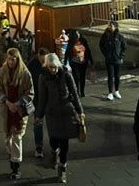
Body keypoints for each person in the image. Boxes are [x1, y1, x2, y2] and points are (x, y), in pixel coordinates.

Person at [36, 53, 85, 184]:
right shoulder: (43, 77)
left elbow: (74, 93)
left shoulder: (66, 74)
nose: (54, 70)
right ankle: (53, 152)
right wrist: (39, 115)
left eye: (55, 67)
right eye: (51, 67)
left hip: (67, 112)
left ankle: (62, 170)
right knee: (54, 140)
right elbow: (42, 98)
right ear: (47, 66)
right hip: (52, 113)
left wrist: (80, 111)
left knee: (64, 142)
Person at [0, 48, 35, 180]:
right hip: (7, 109)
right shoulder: (1, 72)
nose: (11, 62)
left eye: (13, 59)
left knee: (17, 137)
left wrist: (18, 103)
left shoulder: (25, 74)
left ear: (18, 60)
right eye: (9, 59)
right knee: (8, 138)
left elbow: (30, 92)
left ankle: (15, 166)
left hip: (19, 111)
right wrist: (7, 102)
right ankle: (11, 155)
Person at [28, 47, 49, 158]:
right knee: (38, 123)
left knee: (52, 123)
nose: (43, 63)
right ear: (38, 56)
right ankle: (39, 147)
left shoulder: (50, 63)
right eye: (42, 61)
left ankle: (55, 146)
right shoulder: (31, 65)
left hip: (49, 98)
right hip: (37, 99)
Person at [99, 21, 126, 100]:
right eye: (109, 25)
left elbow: (124, 46)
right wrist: (105, 54)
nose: (110, 27)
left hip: (117, 59)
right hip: (109, 59)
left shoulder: (120, 36)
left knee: (117, 76)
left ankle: (116, 91)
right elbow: (101, 45)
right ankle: (110, 93)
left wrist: (121, 56)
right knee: (110, 76)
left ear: (116, 27)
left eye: (111, 26)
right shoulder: (105, 36)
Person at [64, 30, 93, 98]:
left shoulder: (83, 40)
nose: (78, 35)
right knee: (76, 77)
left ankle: (82, 91)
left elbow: (88, 50)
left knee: (82, 77)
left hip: (83, 61)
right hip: (75, 62)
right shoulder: (71, 42)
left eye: (79, 33)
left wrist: (91, 60)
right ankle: (77, 92)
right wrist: (65, 62)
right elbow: (67, 52)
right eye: (77, 34)